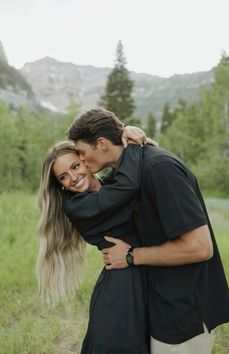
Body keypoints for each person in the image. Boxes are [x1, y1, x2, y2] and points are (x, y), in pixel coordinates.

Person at [66, 107, 229, 354]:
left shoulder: (159, 169)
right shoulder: (127, 174)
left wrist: (131, 256)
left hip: (184, 312)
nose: (81, 161)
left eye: (81, 153)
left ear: (101, 143)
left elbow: (200, 247)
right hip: (160, 302)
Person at [37, 140, 150, 353]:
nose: (73, 178)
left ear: (85, 160)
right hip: (122, 290)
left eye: (75, 166)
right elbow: (128, 187)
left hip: (144, 275)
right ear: (60, 184)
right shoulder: (78, 207)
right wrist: (133, 142)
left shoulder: (111, 183)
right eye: (63, 177)